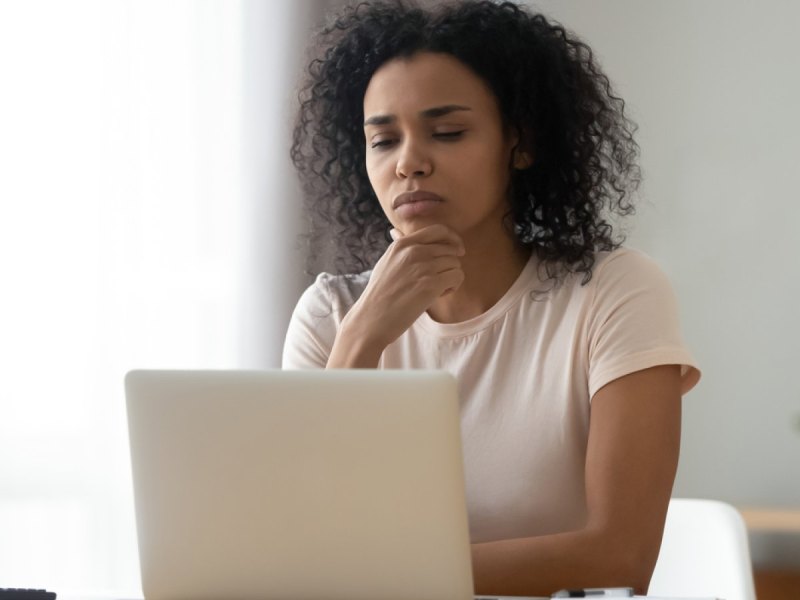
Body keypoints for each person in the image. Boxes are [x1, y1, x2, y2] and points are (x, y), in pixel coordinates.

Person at [283, 0, 701, 595]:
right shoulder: (329, 316)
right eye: (382, 141)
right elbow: (295, 538)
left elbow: (620, 553)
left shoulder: (611, 293)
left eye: (447, 132)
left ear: (521, 143)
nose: (409, 164)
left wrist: (386, 576)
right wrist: (361, 339)